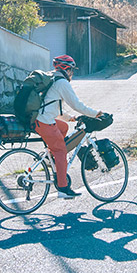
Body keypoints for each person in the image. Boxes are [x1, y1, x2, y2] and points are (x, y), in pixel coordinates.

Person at [36, 54, 104, 199]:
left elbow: (53, 107)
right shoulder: (62, 83)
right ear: (66, 69)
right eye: (71, 70)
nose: (72, 73)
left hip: (39, 118)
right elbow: (77, 104)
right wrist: (95, 113)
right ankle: (63, 188)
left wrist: (70, 118)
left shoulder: (52, 79)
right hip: (44, 121)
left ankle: (51, 157)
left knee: (63, 127)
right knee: (61, 151)